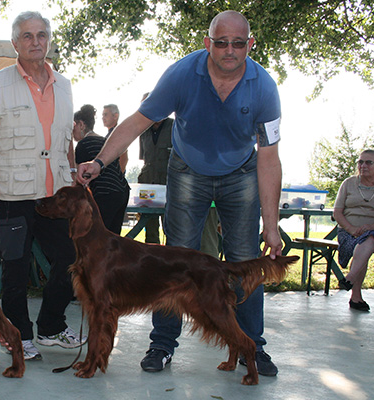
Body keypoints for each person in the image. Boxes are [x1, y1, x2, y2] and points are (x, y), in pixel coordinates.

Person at [78, 10, 284, 377]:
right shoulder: (182, 75)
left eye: (239, 43)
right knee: (173, 258)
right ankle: (162, 345)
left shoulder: (264, 88)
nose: (230, 50)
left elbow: (269, 158)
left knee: (244, 256)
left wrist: (271, 225)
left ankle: (254, 346)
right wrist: (100, 161)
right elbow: (138, 121)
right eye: (221, 42)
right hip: (188, 170)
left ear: (250, 45)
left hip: (240, 173)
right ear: (208, 43)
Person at [0, 11, 84, 361]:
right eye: (28, 36)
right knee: (16, 269)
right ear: (15, 43)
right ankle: (19, 335)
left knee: (71, 258)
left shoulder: (64, 85)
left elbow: (63, 139)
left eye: (42, 35)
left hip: (53, 197)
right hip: (9, 195)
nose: (36, 42)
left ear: (49, 40)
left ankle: (50, 327)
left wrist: (74, 172)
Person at [334, 149, 374, 311]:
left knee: (369, 238)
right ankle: (355, 297)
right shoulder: (348, 183)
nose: (363, 166)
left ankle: (350, 280)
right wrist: (351, 229)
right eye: (360, 162)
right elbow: (337, 212)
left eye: (368, 162)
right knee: (363, 243)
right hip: (348, 231)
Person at [72, 104, 129, 234]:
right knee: (114, 238)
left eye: (73, 127)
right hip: (121, 190)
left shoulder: (83, 144)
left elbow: (81, 178)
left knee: (98, 238)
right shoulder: (104, 140)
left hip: (104, 193)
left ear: (81, 125)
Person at [137, 93, 173, 244]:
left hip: (170, 186)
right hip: (147, 185)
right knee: (149, 227)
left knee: (171, 229)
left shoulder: (175, 126)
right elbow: (144, 158)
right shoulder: (142, 130)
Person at [102, 104, 128, 172]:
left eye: (106, 114)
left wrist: (118, 176)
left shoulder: (118, 134)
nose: (103, 117)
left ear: (115, 116)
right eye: (102, 115)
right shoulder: (110, 135)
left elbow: (124, 158)